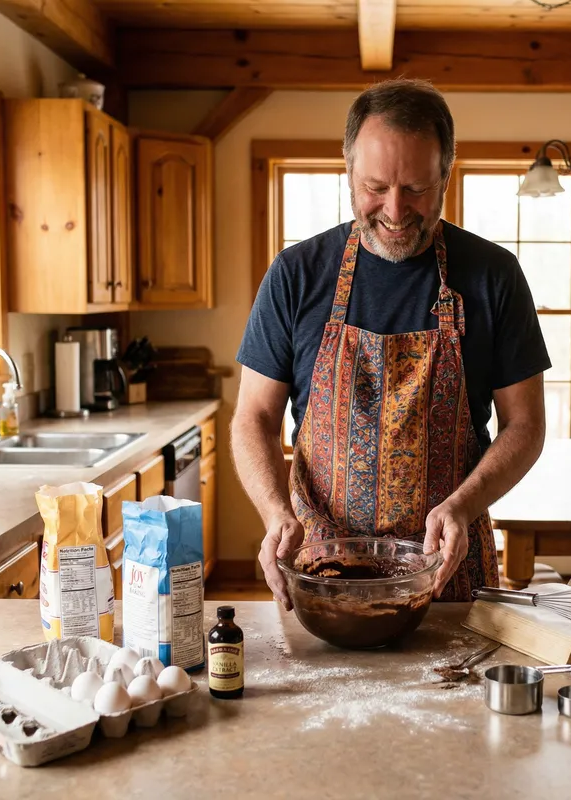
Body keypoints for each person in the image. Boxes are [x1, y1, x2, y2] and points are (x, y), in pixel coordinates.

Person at [231, 78, 551, 610]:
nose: (396, 210)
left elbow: (527, 425)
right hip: (320, 570)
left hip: (446, 570)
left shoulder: (494, 276)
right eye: (376, 186)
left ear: (446, 174)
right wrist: (273, 512)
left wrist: (462, 506)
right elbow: (252, 418)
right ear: (349, 172)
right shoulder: (297, 274)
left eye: (417, 189)